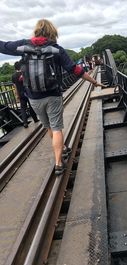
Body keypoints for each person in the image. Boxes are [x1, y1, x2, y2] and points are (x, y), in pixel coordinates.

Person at [0, 19, 105, 175]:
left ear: (36, 31)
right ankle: (58, 163)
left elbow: (3, 46)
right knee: (57, 128)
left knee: (49, 127)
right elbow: (75, 69)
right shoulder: (56, 49)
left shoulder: (23, 45)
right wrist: (95, 82)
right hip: (53, 94)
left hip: (33, 97)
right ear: (52, 33)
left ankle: (62, 148)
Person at [12, 61, 39, 128]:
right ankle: (35, 119)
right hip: (28, 92)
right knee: (31, 106)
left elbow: (15, 86)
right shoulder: (25, 73)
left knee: (23, 108)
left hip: (21, 94)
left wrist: (16, 95)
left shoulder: (13, 76)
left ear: (15, 68)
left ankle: (25, 123)